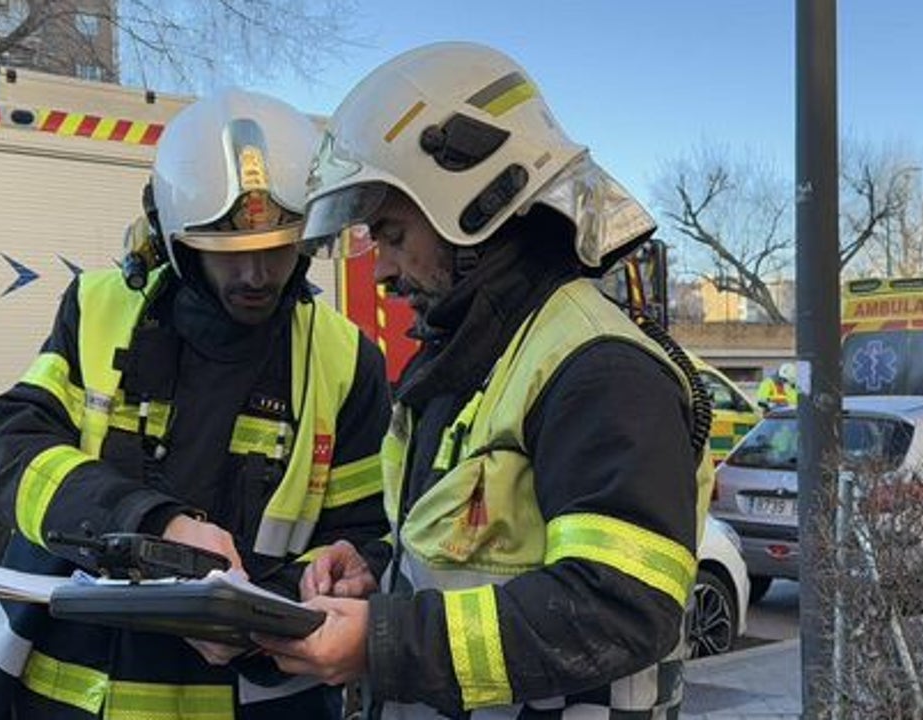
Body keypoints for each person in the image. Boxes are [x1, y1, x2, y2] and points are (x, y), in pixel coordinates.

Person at [255, 42, 713, 718]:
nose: (380, 271)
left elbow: (615, 607)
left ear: (468, 204)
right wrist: (376, 573)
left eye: (390, 233)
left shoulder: (600, 372)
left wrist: (384, 641)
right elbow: (474, 562)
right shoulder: (477, 361)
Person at [0, 88, 392, 719]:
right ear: (177, 243)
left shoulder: (345, 360)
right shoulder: (96, 309)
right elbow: (13, 446)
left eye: (277, 248)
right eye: (230, 253)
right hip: (63, 699)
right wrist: (155, 527)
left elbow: (366, 535)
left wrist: (261, 614)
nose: (258, 276)